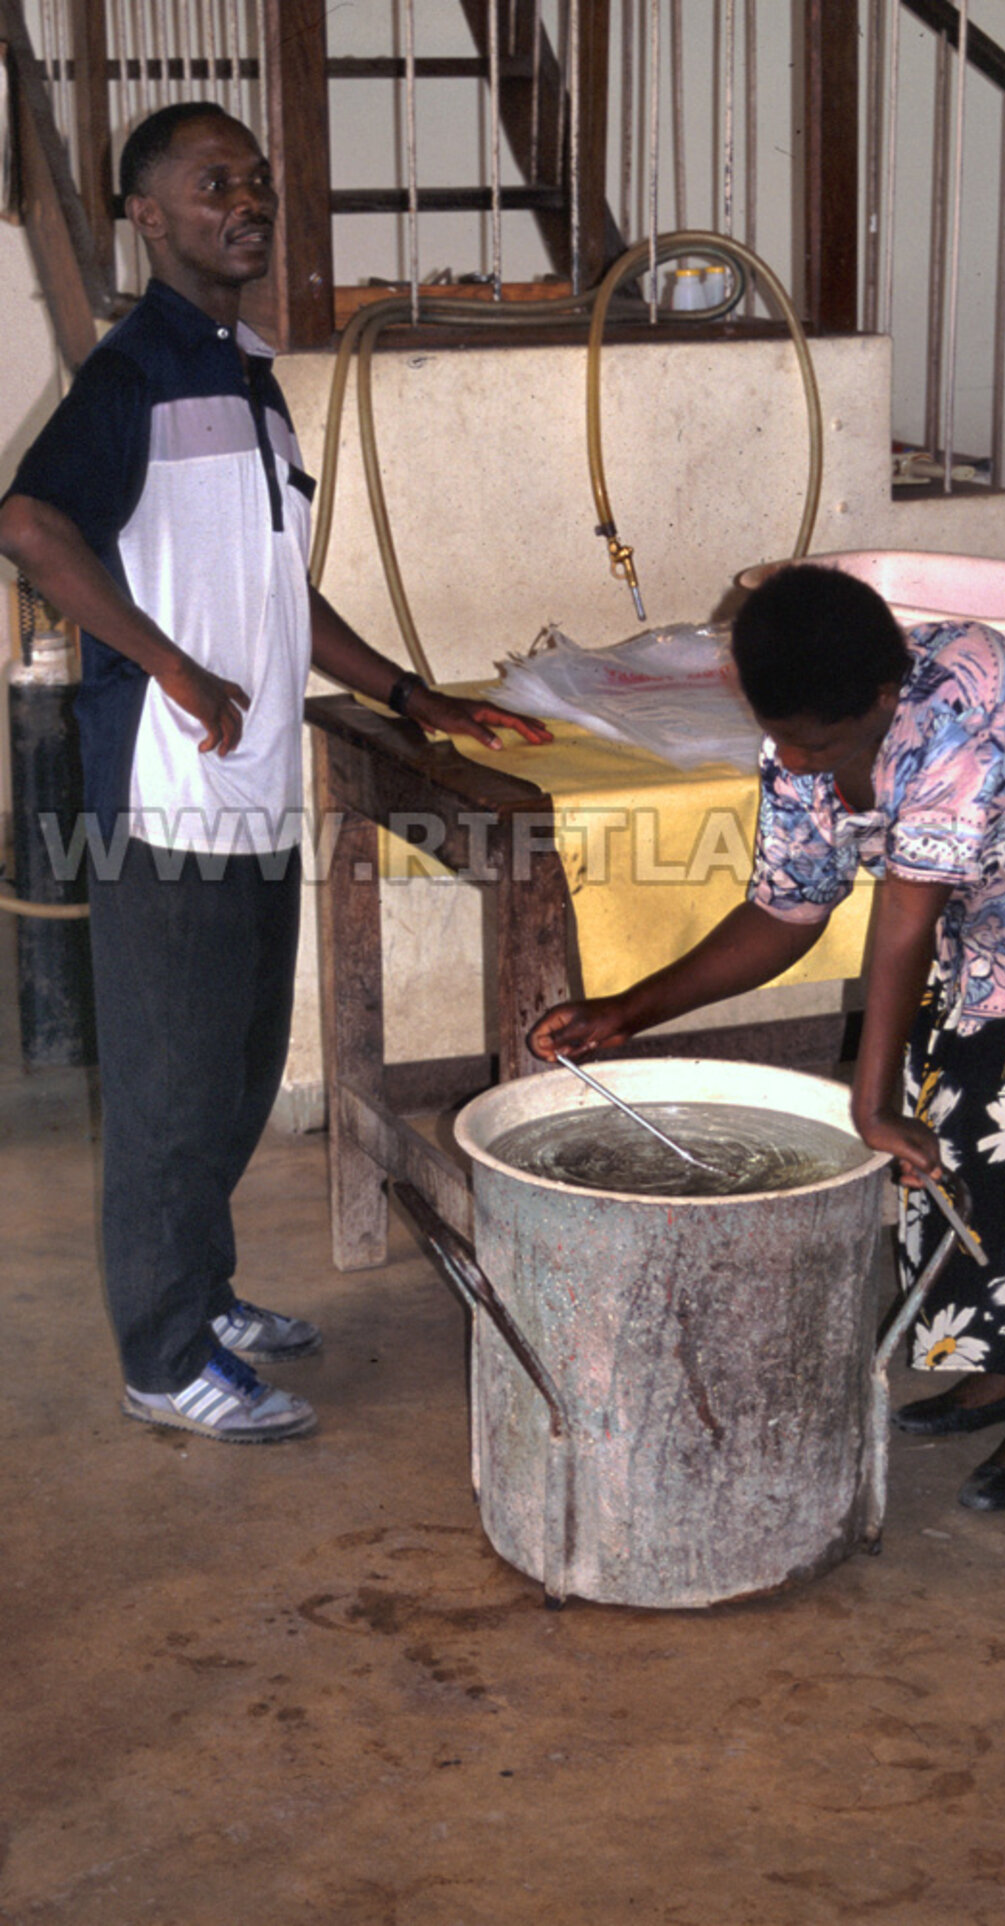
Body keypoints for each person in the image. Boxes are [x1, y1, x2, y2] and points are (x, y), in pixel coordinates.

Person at [0, 101, 549, 1444]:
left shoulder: (246, 375)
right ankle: (162, 1359)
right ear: (145, 215)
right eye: (208, 183)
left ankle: (206, 1294)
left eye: (253, 178)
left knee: (238, 1071)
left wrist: (409, 693)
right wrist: (174, 667)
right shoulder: (133, 374)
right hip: (164, 800)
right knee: (170, 1087)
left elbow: (279, 590)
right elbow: (26, 522)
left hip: (247, 791)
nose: (243, 200)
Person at [529, 565, 1005, 1513]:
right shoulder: (805, 728)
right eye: (783, 740)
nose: (802, 761)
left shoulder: (970, 697)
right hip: (994, 921)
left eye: (820, 742)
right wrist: (628, 1010)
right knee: (956, 1130)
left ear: (885, 697)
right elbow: (787, 909)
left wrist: (870, 1100)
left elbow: (900, 922)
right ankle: (998, 1362)